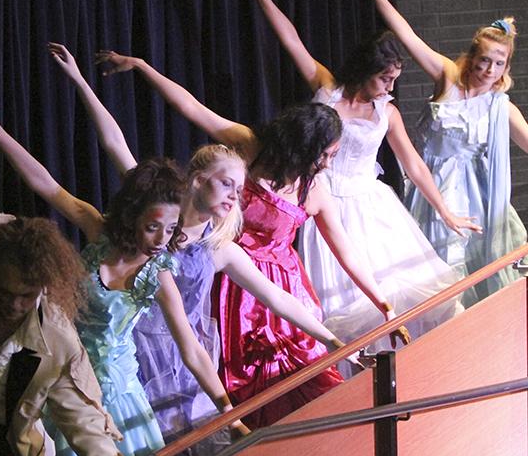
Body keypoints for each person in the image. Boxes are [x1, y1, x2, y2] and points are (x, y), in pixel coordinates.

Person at [52, 44, 358, 435]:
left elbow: (277, 297)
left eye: (239, 188)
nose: (236, 197)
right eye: (228, 185)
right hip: (130, 346)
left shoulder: (219, 247)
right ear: (199, 181)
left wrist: (330, 339)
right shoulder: (159, 211)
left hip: (183, 355)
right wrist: (80, 81)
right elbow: (115, 144)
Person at [0, 93, 243, 456]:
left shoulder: (159, 271)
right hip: (63, 374)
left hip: (119, 394)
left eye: (170, 229)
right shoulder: (97, 229)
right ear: (132, 216)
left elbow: (192, 350)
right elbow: (45, 184)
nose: (162, 239)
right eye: (153, 227)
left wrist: (228, 411)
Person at [228, 0, 480, 354]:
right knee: (342, 307)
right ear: (365, 71)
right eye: (385, 78)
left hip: (373, 208)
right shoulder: (328, 89)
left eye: (395, 78)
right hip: (327, 203)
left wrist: (445, 211)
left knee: (396, 294)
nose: (390, 86)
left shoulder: (387, 113)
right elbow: (292, 42)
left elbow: (412, 164)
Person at [0, 21, 130, 456]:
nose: (16, 304)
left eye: (28, 295)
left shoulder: (54, 338)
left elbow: (85, 426)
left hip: (1, 455)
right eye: (7, 291)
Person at [345, 0, 528, 304]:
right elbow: (408, 37)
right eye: (484, 59)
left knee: (476, 272)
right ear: (473, 57)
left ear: (506, 68)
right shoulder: (448, 77)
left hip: (477, 196)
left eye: (498, 63)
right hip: (431, 185)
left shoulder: (501, 107)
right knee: (432, 270)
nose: (488, 69)